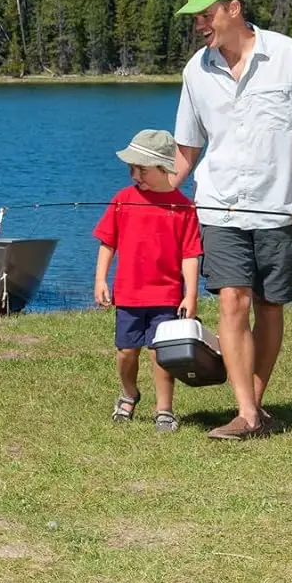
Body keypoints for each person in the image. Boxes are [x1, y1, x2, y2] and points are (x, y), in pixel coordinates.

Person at [171, 0, 292, 440]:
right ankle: (246, 413)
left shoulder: (289, 56)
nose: (200, 25)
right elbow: (188, 148)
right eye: (196, 18)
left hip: (280, 208)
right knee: (232, 300)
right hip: (219, 208)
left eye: (206, 15)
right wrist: (157, 189)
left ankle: (255, 405)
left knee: (268, 306)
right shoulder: (195, 72)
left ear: (234, 8)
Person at [93, 129, 204, 433]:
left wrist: (190, 294)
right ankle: (129, 393)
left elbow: (191, 255)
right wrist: (101, 279)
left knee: (161, 354)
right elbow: (107, 243)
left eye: (140, 169)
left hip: (167, 296)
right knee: (126, 352)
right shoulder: (123, 200)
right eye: (131, 168)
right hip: (128, 295)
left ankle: (164, 410)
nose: (133, 175)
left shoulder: (183, 207)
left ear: (163, 168)